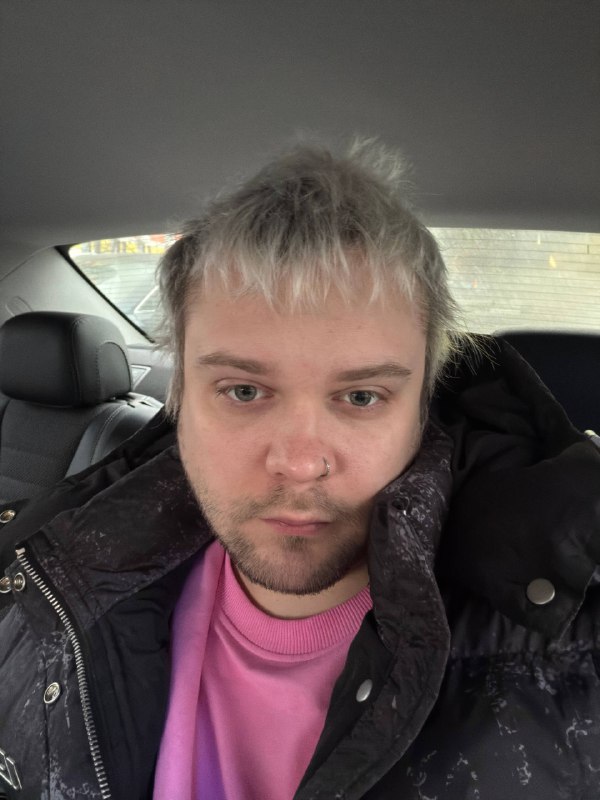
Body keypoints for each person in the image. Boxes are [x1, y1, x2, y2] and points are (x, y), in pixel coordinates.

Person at [0, 140, 599, 800]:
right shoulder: (37, 589)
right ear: (179, 404)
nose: (299, 463)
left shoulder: (572, 661)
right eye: (243, 391)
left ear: (423, 413)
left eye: (361, 397)